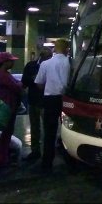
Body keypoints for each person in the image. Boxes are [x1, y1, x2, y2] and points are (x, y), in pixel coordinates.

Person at [34, 39, 70, 171]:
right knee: (69, 129)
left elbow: (39, 83)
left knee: (49, 132)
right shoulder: (70, 63)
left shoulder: (46, 63)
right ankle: (70, 159)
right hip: (68, 100)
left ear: (55, 48)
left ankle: (47, 163)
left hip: (50, 99)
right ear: (67, 49)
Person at [21, 47, 53, 162]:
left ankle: (47, 152)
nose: (50, 58)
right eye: (48, 56)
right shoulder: (31, 66)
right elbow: (24, 81)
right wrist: (34, 80)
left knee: (47, 128)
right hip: (33, 100)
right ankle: (35, 151)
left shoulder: (51, 66)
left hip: (45, 102)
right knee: (34, 127)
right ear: (42, 56)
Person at [0, 52, 23, 168]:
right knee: (5, 134)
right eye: (11, 60)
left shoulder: (6, 74)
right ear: (5, 62)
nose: (13, 62)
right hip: (6, 108)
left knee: (6, 134)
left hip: (7, 107)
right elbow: (17, 87)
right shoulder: (3, 75)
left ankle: (3, 157)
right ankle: (2, 158)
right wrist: (20, 84)